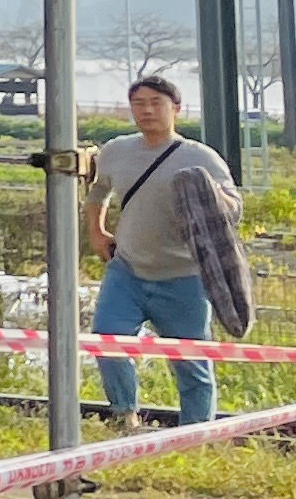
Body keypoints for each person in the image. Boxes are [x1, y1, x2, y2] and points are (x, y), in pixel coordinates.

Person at [91, 75, 248, 429]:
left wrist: (210, 194)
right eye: (139, 104)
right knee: (106, 339)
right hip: (127, 270)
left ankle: (195, 432)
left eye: (156, 103)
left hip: (184, 276)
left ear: (176, 109)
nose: (147, 110)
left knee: (191, 362)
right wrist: (96, 232)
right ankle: (124, 416)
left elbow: (234, 209)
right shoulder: (115, 151)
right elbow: (98, 192)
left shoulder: (200, 157)